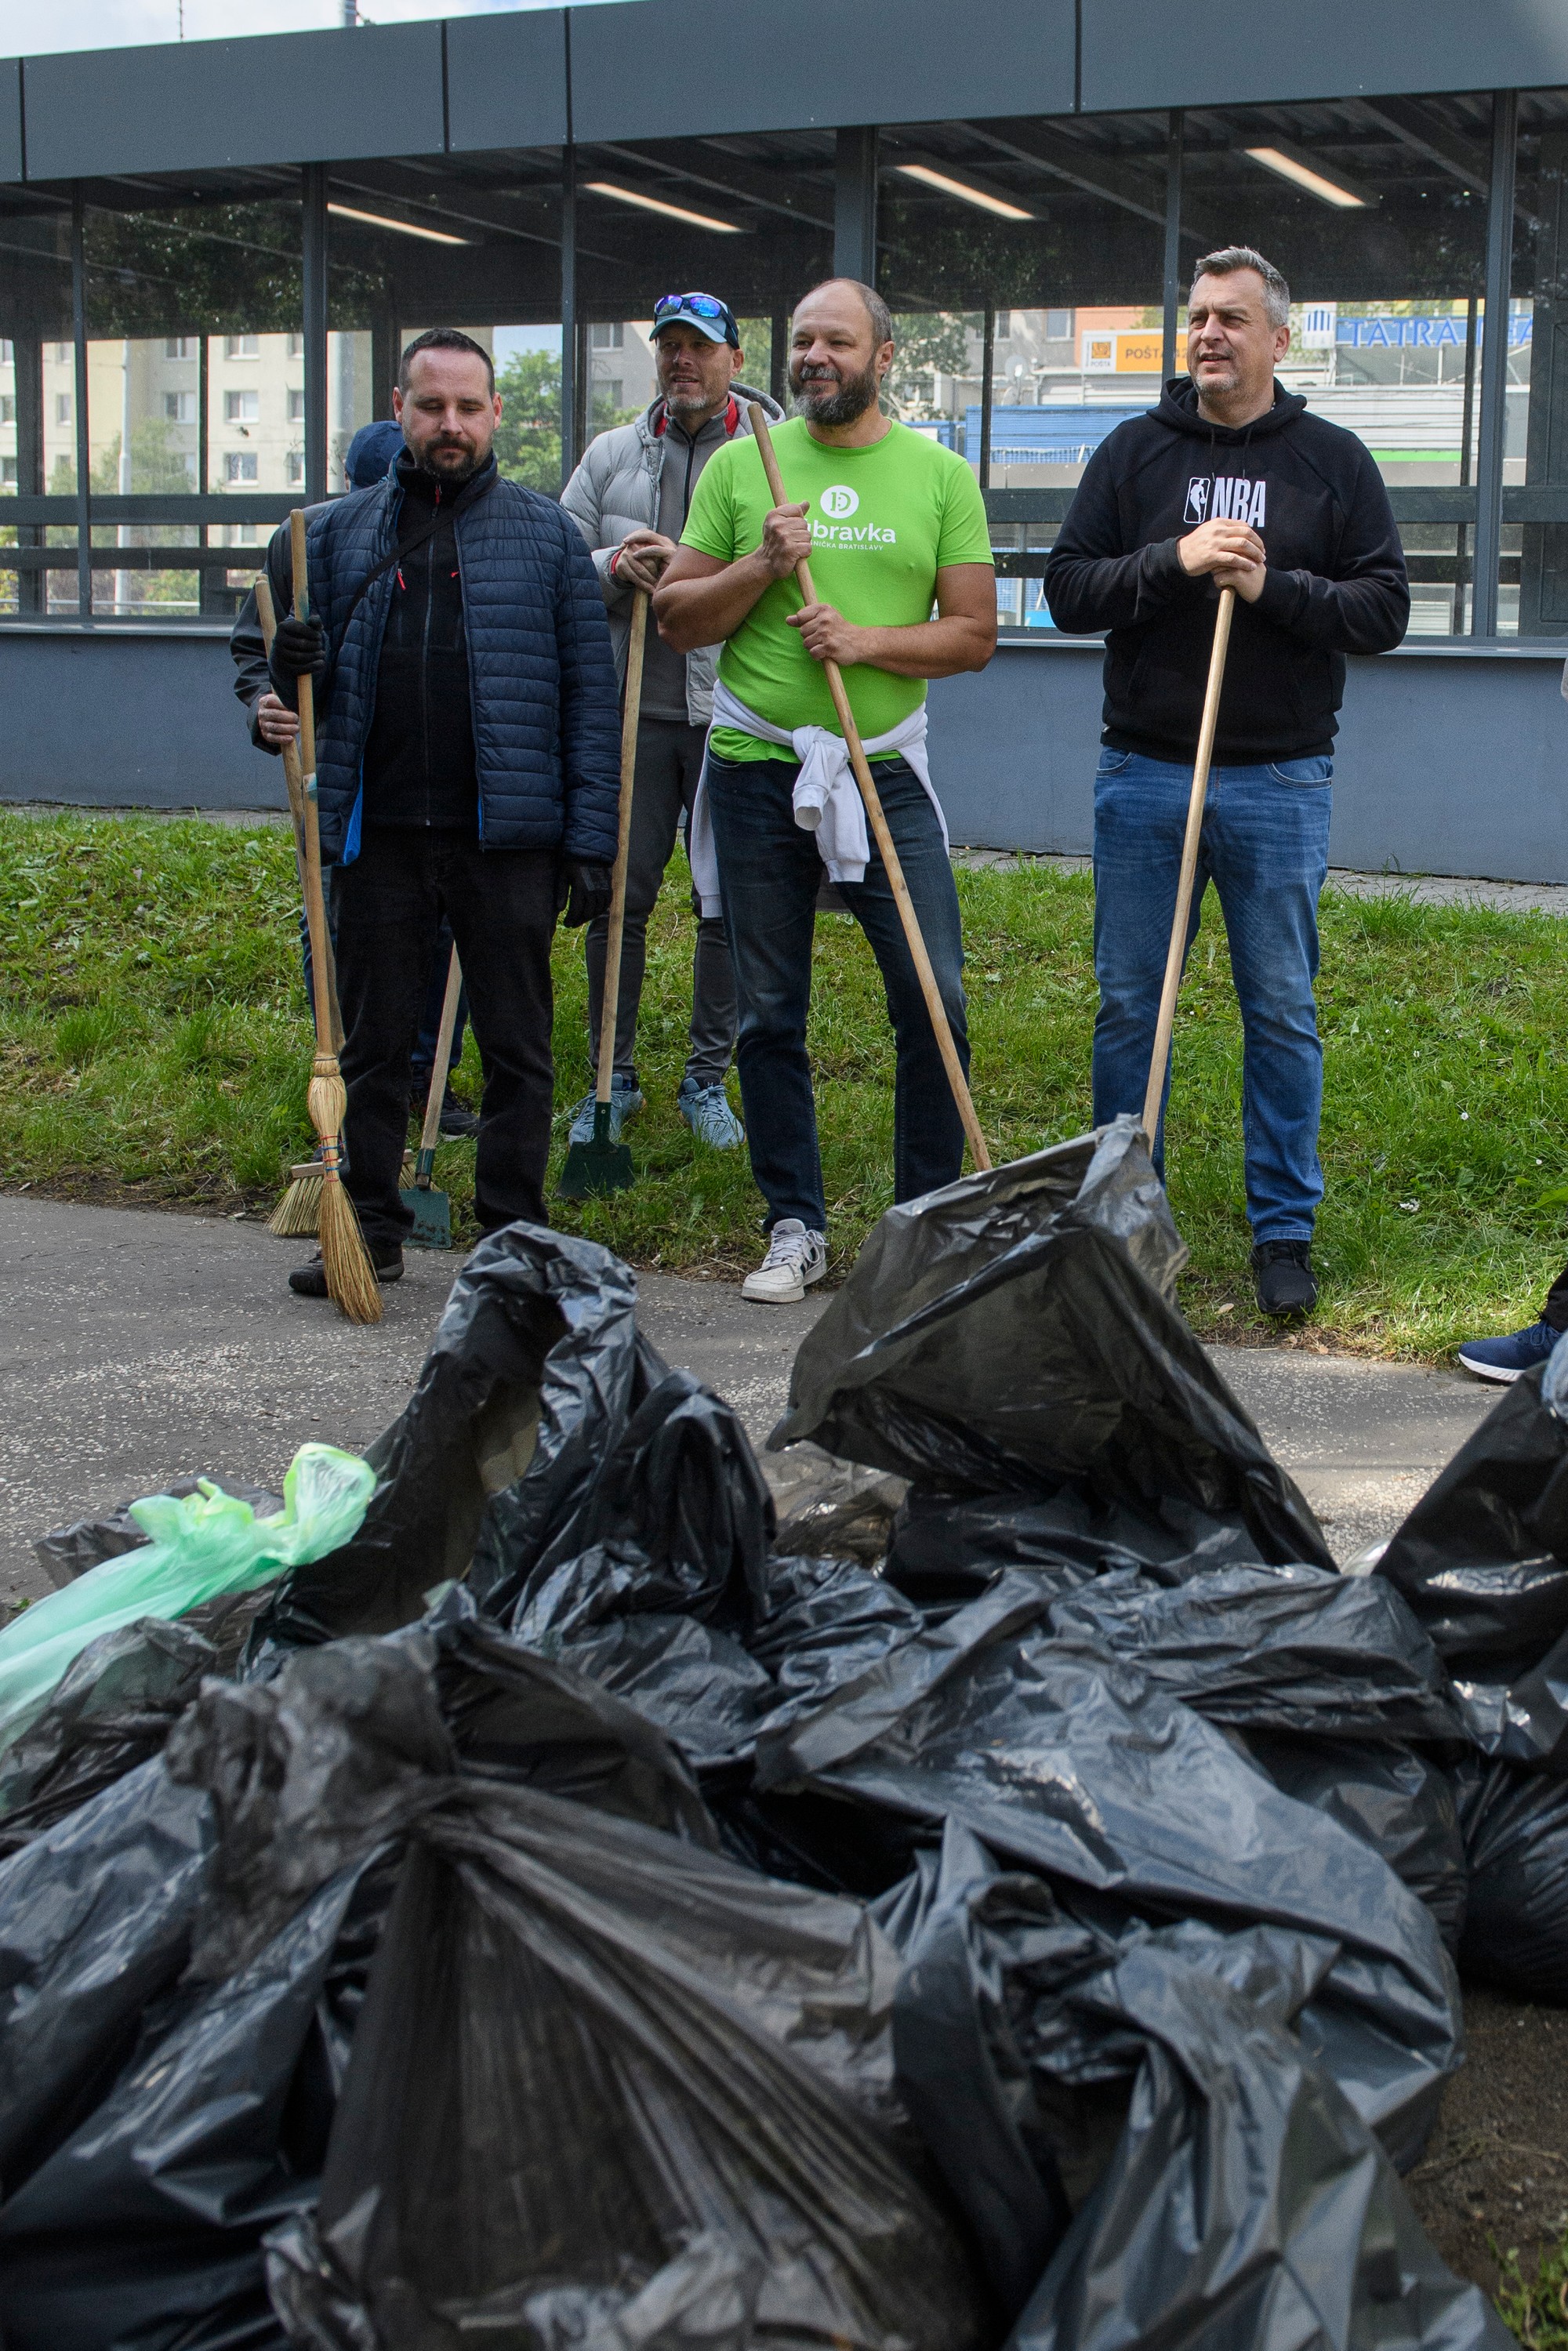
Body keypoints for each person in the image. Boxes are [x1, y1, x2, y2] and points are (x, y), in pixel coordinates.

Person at [1044, 245, 1409, 1321]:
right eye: (1198, 316)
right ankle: (1117, 1213)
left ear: (1278, 339)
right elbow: (1067, 589)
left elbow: (1383, 609)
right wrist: (1175, 560)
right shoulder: (1133, 452)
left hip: (1280, 780)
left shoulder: (1331, 460)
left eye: (1232, 318)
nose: (1209, 333)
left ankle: (1282, 1229)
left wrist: (1272, 583)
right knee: (1128, 1003)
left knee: (1282, 1009)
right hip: (1145, 771)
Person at [230, 326, 621, 1294]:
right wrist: (274, 694)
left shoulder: (547, 537)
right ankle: (368, 1230)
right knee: (371, 1047)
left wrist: (589, 838)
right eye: (430, 405)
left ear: (495, 415)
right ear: (400, 411)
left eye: (468, 406)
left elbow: (588, 698)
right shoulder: (326, 534)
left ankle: (511, 1240)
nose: (450, 423)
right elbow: (258, 646)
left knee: (518, 1050)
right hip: (379, 830)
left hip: (508, 836)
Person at [655, 278, 996, 1304]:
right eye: (802, 339)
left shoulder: (939, 475)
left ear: (883, 356)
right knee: (769, 1007)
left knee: (935, 993)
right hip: (757, 763)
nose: (815, 355)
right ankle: (792, 1221)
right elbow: (677, 616)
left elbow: (974, 633)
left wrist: (867, 640)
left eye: (836, 340)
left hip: (881, 765)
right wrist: (762, 563)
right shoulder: (740, 464)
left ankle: (923, 1225)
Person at [562, 295, 783, 1150]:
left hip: (733, 707)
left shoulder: (771, 458)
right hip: (635, 710)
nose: (681, 361)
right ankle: (606, 1080)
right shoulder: (613, 456)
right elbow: (555, 565)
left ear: (733, 356)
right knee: (620, 898)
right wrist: (614, 563)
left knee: (723, 903)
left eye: (699, 347)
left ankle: (705, 1078)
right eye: (668, 348)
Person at [240, 414, 478, 1141]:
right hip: (343, 783)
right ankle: (344, 1070)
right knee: (340, 928)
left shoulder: (464, 536)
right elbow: (256, 648)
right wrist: (266, 702)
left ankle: (423, 1075)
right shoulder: (310, 544)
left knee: (444, 933)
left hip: (437, 784)